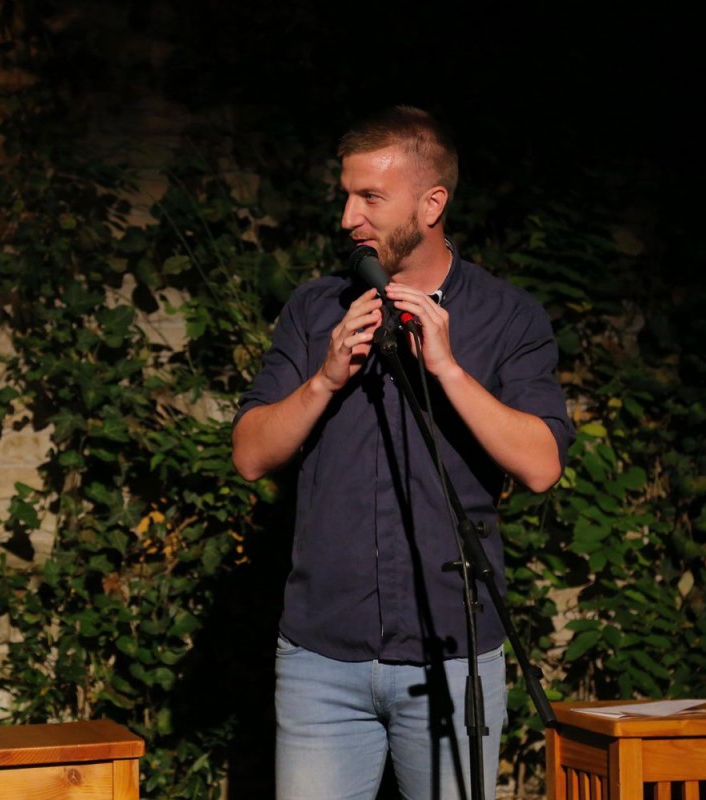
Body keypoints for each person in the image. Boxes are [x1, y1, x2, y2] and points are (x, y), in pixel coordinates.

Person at [232, 106, 575, 800]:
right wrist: (325, 378)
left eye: (370, 198)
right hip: (321, 658)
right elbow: (249, 455)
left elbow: (541, 465)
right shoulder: (315, 310)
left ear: (431, 204)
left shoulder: (507, 316)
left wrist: (447, 369)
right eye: (346, 196)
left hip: (451, 654)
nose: (348, 218)